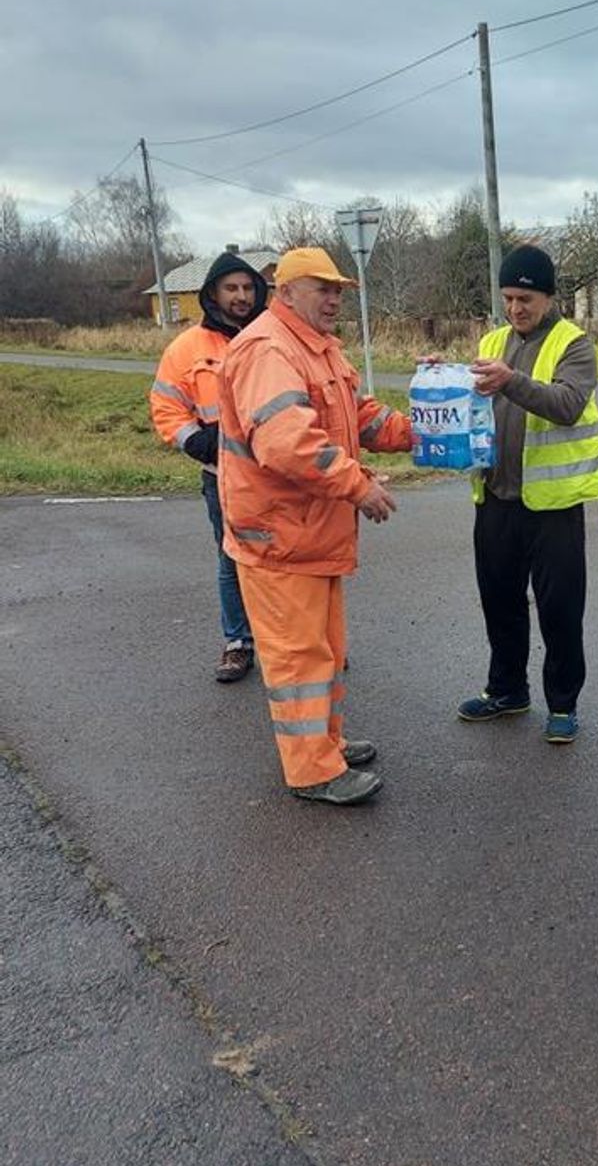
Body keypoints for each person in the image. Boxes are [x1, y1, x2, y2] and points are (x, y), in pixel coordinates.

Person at [217, 246, 412, 806]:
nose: (333, 299)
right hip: (279, 540)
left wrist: (425, 429)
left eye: (339, 291)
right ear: (287, 291)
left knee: (324, 651)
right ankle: (312, 771)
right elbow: (286, 444)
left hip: (309, 536)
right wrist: (359, 486)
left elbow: (361, 416)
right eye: (322, 288)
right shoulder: (267, 348)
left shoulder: (319, 350)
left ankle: (326, 745)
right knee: (299, 658)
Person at [458, 244, 598, 744]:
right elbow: (470, 398)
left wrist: (511, 381)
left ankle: (562, 704)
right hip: (495, 496)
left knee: (560, 608)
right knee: (498, 600)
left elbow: (566, 404)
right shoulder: (494, 338)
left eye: (525, 298)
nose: (516, 309)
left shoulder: (575, 343)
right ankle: (507, 690)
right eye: (508, 298)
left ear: (548, 295)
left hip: (554, 505)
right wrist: (442, 374)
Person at [149, 251, 269, 682]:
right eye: (231, 288)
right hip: (222, 475)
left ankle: (293, 641)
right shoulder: (187, 348)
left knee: (285, 558)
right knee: (231, 558)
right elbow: (165, 404)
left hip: (278, 474)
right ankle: (238, 642)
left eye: (248, 288)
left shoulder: (273, 338)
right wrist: (194, 441)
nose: (241, 296)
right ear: (212, 294)